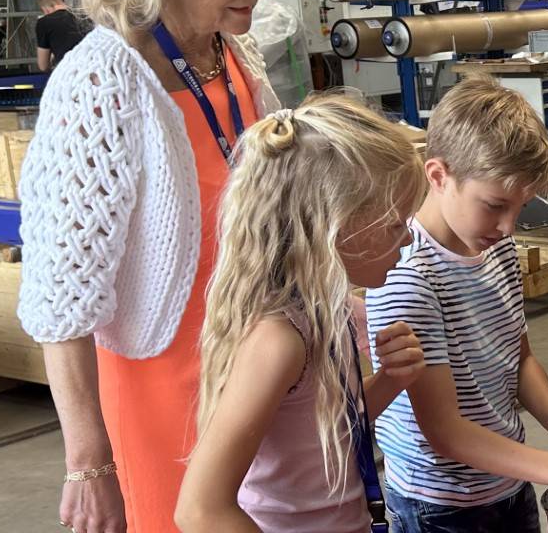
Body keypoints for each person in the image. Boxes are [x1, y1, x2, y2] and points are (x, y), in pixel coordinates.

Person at [17, 0, 279, 533]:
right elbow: (62, 298)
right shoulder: (100, 83)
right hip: (171, 387)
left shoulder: (236, 57)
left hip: (266, 369)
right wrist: (88, 462)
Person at [175, 94, 430, 533]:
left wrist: (390, 380)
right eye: (395, 223)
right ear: (335, 225)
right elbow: (201, 509)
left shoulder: (333, 311)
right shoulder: (278, 340)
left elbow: (322, 433)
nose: (406, 240)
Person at [366, 77, 548, 532]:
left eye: (520, 208)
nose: (507, 225)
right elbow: (446, 432)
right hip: (441, 505)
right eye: (495, 205)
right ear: (438, 175)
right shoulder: (408, 278)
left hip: (507, 480)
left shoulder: (496, 246)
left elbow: (517, 356)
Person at [35, 0, 88, 73]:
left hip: (68, 73)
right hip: (92, 70)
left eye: (44, 11)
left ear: (47, 8)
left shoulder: (44, 22)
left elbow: (43, 66)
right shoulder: (85, 17)